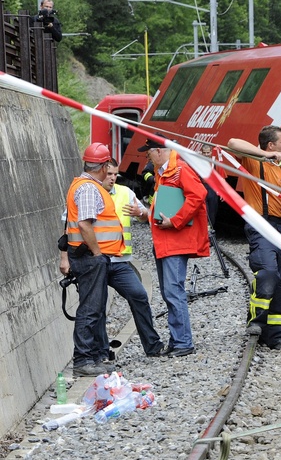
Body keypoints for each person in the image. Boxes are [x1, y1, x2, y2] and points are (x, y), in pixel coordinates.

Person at [228, 126, 281, 351]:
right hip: (260, 223)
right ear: (270, 145)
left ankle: (275, 336)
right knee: (268, 271)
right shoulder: (253, 161)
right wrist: (265, 155)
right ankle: (255, 320)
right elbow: (232, 142)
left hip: (280, 227)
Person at [61, 143, 125, 376]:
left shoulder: (84, 185)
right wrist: (98, 253)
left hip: (88, 256)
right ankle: (83, 360)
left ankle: (95, 357)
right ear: (105, 165)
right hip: (90, 257)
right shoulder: (89, 188)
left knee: (95, 308)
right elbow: (84, 224)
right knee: (89, 309)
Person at [142, 139, 210, 357]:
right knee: (169, 291)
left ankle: (182, 342)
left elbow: (198, 195)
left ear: (158, 151)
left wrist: (176, 221)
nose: (147, 158)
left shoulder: (179, 169)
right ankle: (178, 340)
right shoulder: (166, 171)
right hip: (166, 241)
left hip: (175, 242)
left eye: (148, 153)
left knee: (173, 291)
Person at [106, 171, 165, 357]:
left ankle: (153, 346)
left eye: (114, 174)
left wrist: (141, 213)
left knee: (139, 295)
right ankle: (99, 352)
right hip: (96, 262)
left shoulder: (125, 192)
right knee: (96, 307)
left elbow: (145, 215)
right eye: (108, 173)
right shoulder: (90, 192)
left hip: (120, 263)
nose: (112, 177)